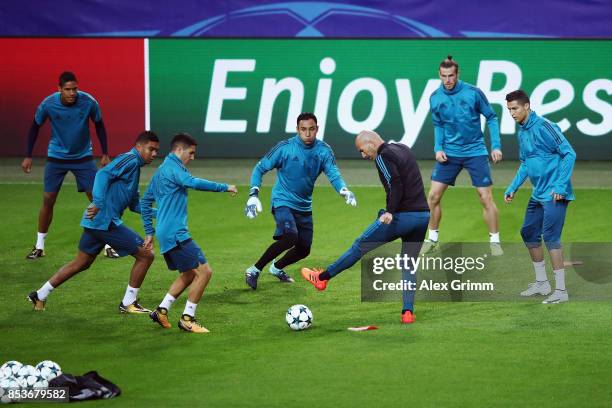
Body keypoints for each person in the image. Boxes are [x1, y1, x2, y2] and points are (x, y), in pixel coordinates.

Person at [301, 130, 430, 324]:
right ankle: (407, 312)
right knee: (409, 264)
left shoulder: (382, 156)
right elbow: (409, 182)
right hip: (422, 216)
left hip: (400, 217)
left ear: (370, 143)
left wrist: (390, 211)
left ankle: (322, 277)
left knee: (359, 245)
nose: (363, 155)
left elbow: (395, 184)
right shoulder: (403, 149)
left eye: (362, 150)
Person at [27, 131, 160, 313]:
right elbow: (102, 174)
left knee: (82, 262)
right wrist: (98, 201)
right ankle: (128, 303)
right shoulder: (129, 159)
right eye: (151, 149)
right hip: (105, 221)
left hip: (96, 222)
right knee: (146, 255)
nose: (154, 154)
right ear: (139, 147)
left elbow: (134, 204)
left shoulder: (135, 168)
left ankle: (39, 295)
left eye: (156, 151)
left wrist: (161, 213)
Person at [244, 112, 357, 289]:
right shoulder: (284, 148)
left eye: (311, 129)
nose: (307, 133)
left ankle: (276, 267)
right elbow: (259, 169)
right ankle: (254, 269)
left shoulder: (324, 150)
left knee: (304, 249)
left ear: (317, 129)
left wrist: (343, 189)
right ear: (297, 129)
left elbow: (333, 174)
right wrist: (253, 195)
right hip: (282, 201)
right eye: (303, 129)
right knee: (290, 236)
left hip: (304, 206)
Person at [144, 133, 237, 334]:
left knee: (188, 274)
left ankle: (161, 310)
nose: (193, 157)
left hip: (165, 232)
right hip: (176, 233)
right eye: (191, 153)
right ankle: (188, 318)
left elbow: (145, 201)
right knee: (205, 272)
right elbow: (193, 182)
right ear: (179, 150)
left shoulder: (160, 171)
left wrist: (149, 231)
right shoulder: (174, 169)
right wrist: (225, 187)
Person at [22, 71, 118, 260]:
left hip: (83, 157)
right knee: (48, 199)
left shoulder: (88, 102)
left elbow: (99, 125)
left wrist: (105, 153)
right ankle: (39, 246)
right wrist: (28, 155)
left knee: (97, 199)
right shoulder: (48, 104)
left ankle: (108, 244)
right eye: (68, 89)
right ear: (59, 89)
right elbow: (34, 126)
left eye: (75, 88)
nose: (72, 93)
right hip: (56, 157)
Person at [425, 56, 503, 256]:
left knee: (485, 197)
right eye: (444, 76)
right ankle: (432, 238)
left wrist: (495, 146)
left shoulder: (473, 93)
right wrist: (438, 147)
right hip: (449, 153)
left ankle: (494, 241)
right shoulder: (435, 97)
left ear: (457, 74)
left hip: (475, 152)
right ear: (439, 75)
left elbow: (492, 117)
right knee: (432, 196)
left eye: (451, 76)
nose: (448, 80)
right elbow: (438, 124)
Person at [504, 90, 576, 304]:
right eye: (509, 110)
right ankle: (542, 284)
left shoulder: (545, 127)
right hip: (538, 194)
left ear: (527, 106)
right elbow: (526, 163)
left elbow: (569, 153)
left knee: (551, 238)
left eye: (515, 108)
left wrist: (561, 185)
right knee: (528, 232)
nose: (512, 113)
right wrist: (513, 186)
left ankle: (561, 291)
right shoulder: (522, 132)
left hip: (555, 193)